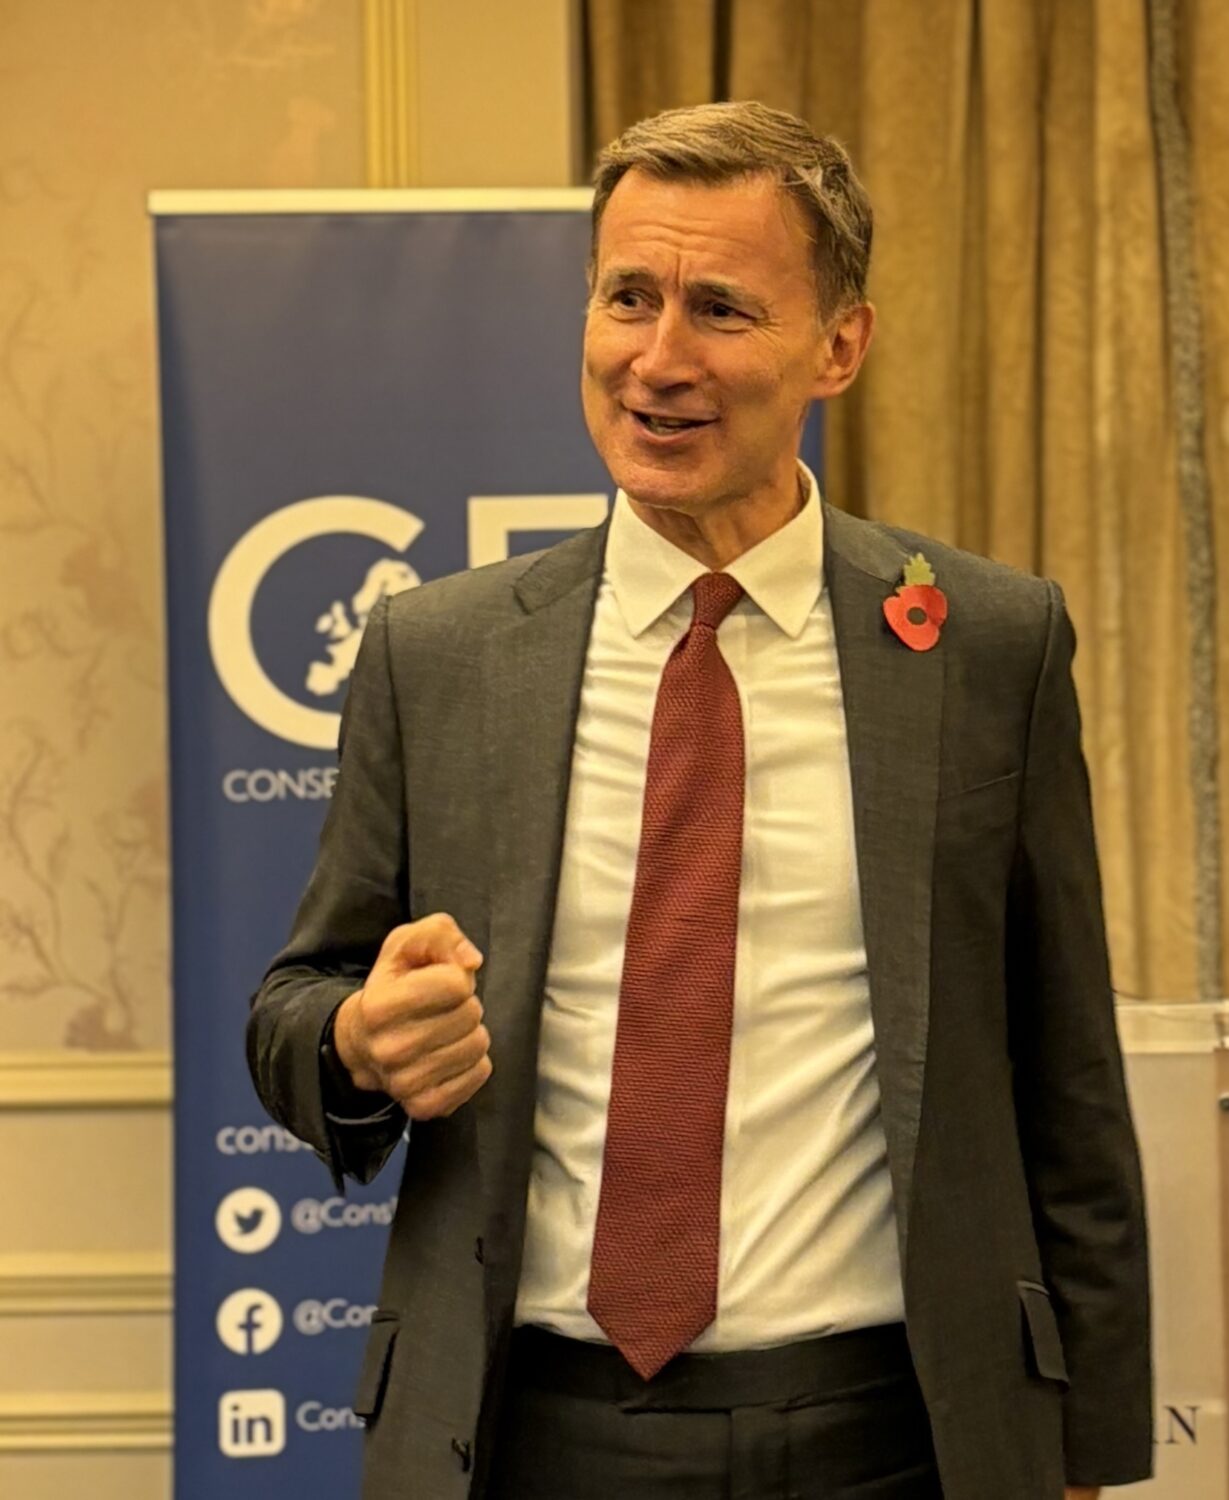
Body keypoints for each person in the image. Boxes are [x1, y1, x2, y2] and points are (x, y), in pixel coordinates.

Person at [246, 100, 1151, 1500]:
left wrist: (1085, 1452)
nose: (658, 360)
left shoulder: (985, 645)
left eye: (722, 308)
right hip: (523, 1433)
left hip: (895, 1432)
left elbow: (1066, 1074)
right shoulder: (438, 653)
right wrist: (362, 1038)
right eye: (628, 298)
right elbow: (294, 1004)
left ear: (836, 346)